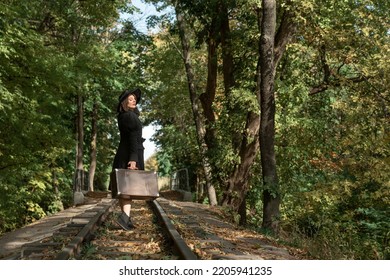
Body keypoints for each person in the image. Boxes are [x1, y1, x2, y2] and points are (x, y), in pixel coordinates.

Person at [111, 88, 145, 230]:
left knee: (125, 188)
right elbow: (132, 138)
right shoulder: (129, 117)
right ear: (124, 102)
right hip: (130, 154)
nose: (134, 101)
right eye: (130, 99)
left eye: (135, 100)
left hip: (127, 153)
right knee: (128, 188)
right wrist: (133, 159)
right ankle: (124, 218)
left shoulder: (125, 116)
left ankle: (126, 218)